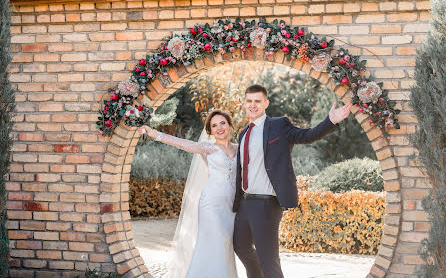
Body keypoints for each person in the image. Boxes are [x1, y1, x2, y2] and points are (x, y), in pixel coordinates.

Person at [233, 84, 352, 278]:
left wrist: (330, 120)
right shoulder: (244, 133)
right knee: (241, 247)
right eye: (249, 101)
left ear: (266, 103)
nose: (253, 105)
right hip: (245, 203)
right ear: (244, 103)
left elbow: (307, 136)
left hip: (267, 203)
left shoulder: (279, 125)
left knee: (268, 260)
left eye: (257, 101)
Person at [138, 109, 239, 278]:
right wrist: (155, 134)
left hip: (231, 205)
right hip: (211, 204)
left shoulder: (239, 148)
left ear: (229, 125)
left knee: (226, 243)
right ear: (210, 131)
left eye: (222, 123)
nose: (219, 128)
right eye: (214, 126)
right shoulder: (208, 148)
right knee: (214, 240)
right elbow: (182, 143)